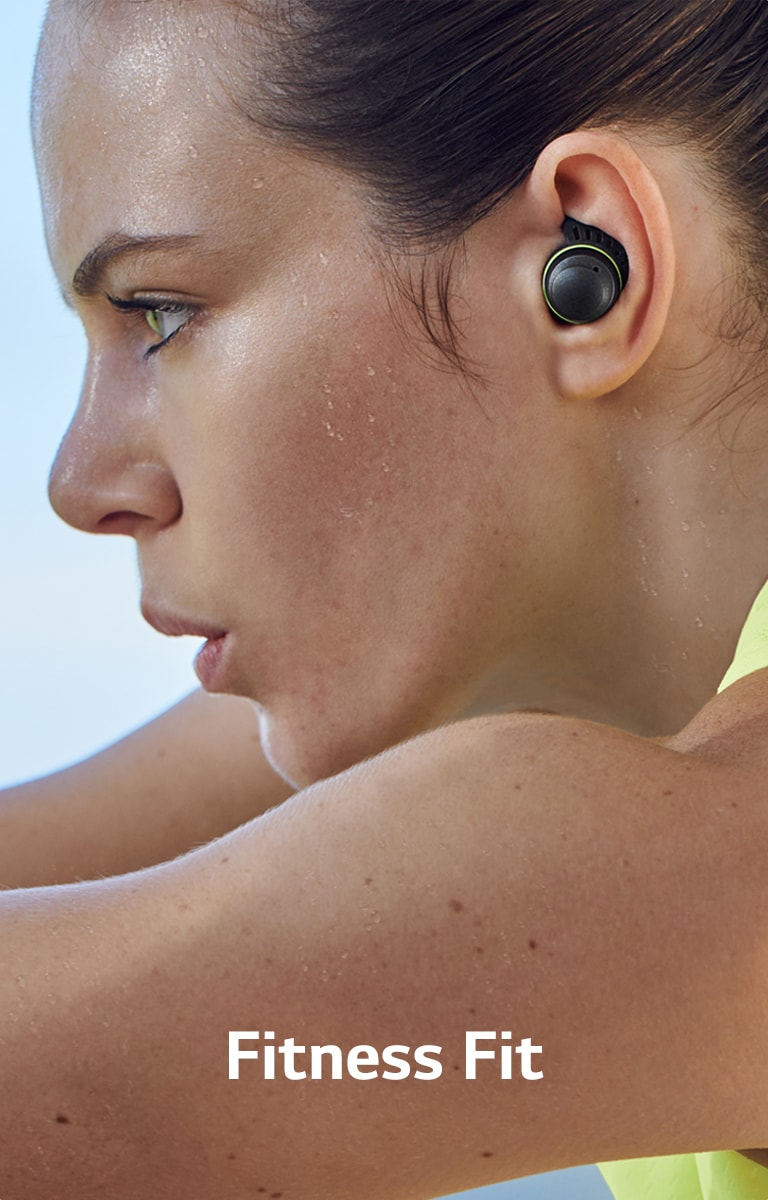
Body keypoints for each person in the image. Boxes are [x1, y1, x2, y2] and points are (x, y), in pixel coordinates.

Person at [3, 0, 768, 1196]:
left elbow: (77, 1079)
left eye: (160, 312)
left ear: (587, 268)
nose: (79, 484)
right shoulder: (520, 673)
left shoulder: (724, 858)